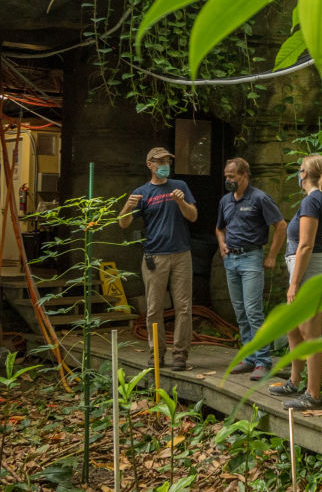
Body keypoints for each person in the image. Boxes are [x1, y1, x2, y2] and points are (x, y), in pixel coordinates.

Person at [117, 146, 198, 370]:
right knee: (154, 308)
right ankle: (156, 354)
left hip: (181, 254)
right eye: (159, 162)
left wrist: (181, 202)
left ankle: (180, 354)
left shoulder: (180, 186)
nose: (164, 165)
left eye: (167, 161)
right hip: (155, 256)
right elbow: (123, 223)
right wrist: (127, 205)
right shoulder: (142, 192)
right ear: (150, 165)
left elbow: (193, 216)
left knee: (183, 306)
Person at [268, 154, 322, 410]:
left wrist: (294, 284)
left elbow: (306, 246)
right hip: (306, 269)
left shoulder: (313, 200)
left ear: (304, 173)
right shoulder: (318, 198)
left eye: (299, 170)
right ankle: (294, 382)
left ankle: (313, 394)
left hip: (309, 271)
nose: (298, 174)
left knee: (310, 332)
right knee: (293, 328)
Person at [215, 158, 285, 381]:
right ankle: (249, 358)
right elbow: (219, 228)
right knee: (240, 312)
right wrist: (221, 244)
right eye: (226, 176)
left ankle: (263, 361)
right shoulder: (225, 201)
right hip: (231, 260)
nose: (228, 180)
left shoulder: (259, 198)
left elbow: (280, 225)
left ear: (245, 175)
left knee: (253, 310)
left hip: (251, 258)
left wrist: (272, 255)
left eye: (232, 176)